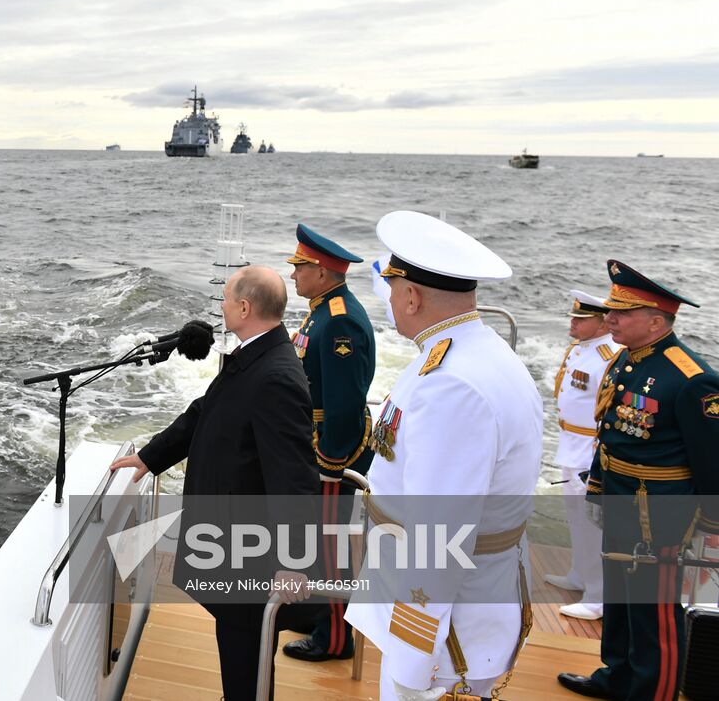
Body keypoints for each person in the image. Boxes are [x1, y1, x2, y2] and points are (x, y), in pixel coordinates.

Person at [345, 211, 543, 701]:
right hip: (459, 604)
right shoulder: (473, 352)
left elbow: (439, 535)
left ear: (411, 296)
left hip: (442, 630)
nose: (388, 297)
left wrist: (415, 654)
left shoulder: (453, 383)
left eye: (391, 286)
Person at [110, 265, 319, 700]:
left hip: (250, 543)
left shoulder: (276, 376)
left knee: (246, 645)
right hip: (230, 533)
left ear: (244, 307)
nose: (221, 308)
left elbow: (294, 477)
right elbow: (204, 411)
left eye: (226, 299)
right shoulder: (253, 354)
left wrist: (294, 559)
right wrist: (151, 457)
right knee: (235, 637)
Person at [558, 261, 719, 701]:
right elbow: (609, 434)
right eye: (610, 312)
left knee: (654, 610)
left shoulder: (692, 379)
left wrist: (712, 521)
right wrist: (597, 489)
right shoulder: (627, 361)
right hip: (620, 497)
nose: (609, 319)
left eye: (620, 313)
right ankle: (618, 676)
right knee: (622, 602)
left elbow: (711, 458)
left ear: (655, 321)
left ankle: (652, 692)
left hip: (661, 512)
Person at [281, 223, 376, 663]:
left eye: (301, 267)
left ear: (321, 271)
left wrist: (330, 461)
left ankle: (336, 637)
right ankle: (319, 612)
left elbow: (342, 404)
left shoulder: (339, 321)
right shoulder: (321, 308)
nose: (294, 275)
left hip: (333, 449)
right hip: (316, 441)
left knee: (332, 547)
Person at [547, 289, 616, 621]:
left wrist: (597, 454)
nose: (572, 323)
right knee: (577, 517)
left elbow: (608, 410)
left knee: (594, 524)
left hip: (589, 448)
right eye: (573, 317)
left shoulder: (607, 355)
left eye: (581, 318)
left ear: (602, 323)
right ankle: (579, 574)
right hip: (570, 444)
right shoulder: (579, 350)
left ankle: (597, 596)